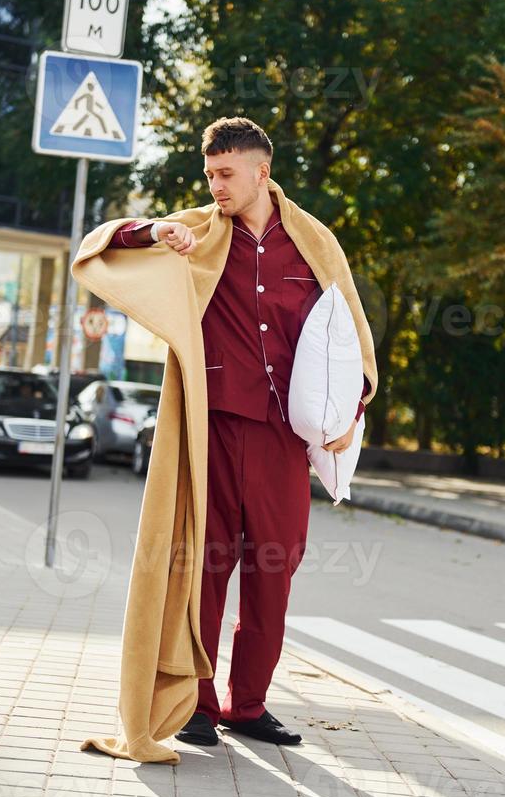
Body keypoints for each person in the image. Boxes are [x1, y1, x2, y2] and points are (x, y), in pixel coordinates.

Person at [107, 116, 374, 747]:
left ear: (262, 171)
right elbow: (106, 246)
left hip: (285, 438)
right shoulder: (194, 231)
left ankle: (248, 707)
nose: (215, 186)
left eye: (225, 174)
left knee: (274, 570)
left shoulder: (315, 242)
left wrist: (347, 417)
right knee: (207, 564)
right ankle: (195, 703)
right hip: (215, 429)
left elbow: (350, 338)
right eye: (209, 175)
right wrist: (153, 228)